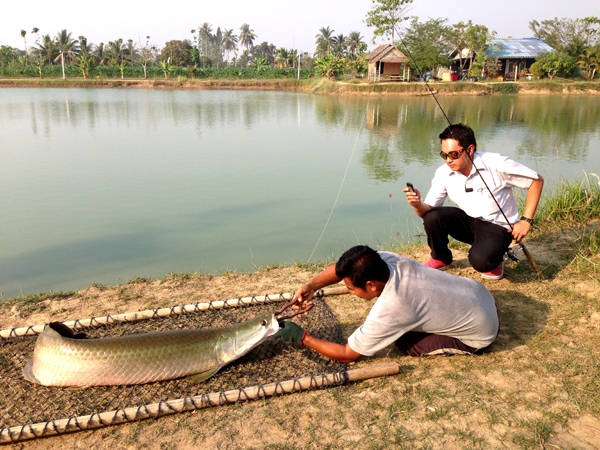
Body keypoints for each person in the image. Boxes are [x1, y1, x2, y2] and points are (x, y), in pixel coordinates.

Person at [274, 245, 499, 363]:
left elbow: (347, 354)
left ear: (371, 285)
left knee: (406, 342)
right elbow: (343, 267)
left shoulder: (393, 307)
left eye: (351, 288)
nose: (350, 292)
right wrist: (311, 286)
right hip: (478, 294)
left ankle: (466, 344)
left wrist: (302, 337)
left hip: (480, 332)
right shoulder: (387, 260)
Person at [404, 123, 544, 280]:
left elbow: (536, 181)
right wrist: (417, 204)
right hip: (469, 221)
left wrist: (526, 220)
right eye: (444, 155)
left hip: (498, 227)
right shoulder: (443, 172)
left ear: (470, 150)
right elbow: (426, 211)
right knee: (432, 216)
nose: (448, 160)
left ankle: (497, 257)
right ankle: (440, 258)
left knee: (481, 262)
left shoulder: (496, 164)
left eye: (453, 154)